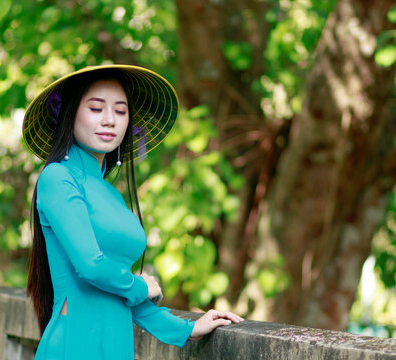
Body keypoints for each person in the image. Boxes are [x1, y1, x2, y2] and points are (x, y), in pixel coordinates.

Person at [23, 64, 243, 359]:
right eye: (96, 108)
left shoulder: (111, 194)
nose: (110, 120)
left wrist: (187, 329)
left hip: (116, 344)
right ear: (70, 113)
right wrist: (141, 285)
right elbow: (90, 266)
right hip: (76, 343)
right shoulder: (58, 178)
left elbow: (122, 291)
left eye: (121, 111)